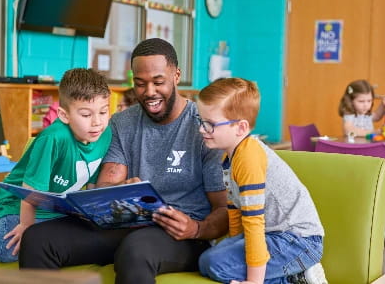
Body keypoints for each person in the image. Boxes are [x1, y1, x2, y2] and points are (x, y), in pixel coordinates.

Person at [18, 38, 228, 283]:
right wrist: (120, 191)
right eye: (140, 84)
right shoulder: (122, 123)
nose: (149, 92)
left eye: (158, 82)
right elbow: (107, 186)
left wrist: (196, 229)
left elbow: (223, 209)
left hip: (183, 235)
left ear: (176, 75)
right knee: (38, 239)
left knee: (136, 249)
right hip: (128, 224)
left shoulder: (203, 127)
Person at [196, 78, 327, 284]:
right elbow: (236, 211)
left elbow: (253, 222)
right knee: (206, 260)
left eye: (209, 124)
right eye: (201, 121)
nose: (202, 129)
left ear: (240, 128)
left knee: (215, 264)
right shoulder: (228, 157)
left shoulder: (249, 158)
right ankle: (290, 274)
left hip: (298, 242)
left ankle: (296, 278)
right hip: (271, 236)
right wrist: (233, 244)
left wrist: (253, 281)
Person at [0, 68, 112, 262]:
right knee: (10, 252)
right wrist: (26, 227)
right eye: (85, 115)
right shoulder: (53, 139)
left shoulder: (104, 134)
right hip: (18, 204)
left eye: (103, 111)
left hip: (55, 210)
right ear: (64, 115)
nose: (97, 122)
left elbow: (91, 183)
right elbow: (29, 192)